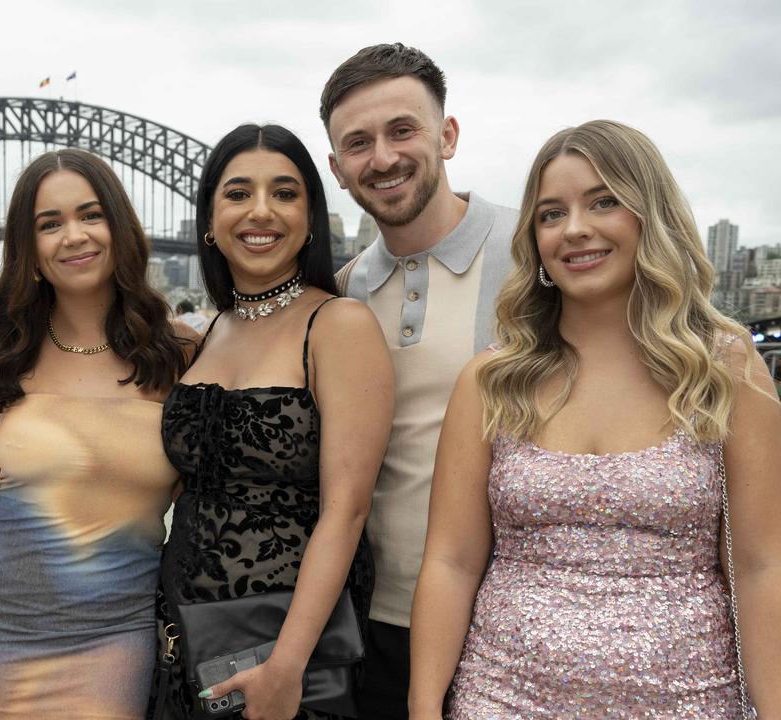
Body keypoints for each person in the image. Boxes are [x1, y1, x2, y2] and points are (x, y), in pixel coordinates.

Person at [409, 120, 781, 718]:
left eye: (603, 201)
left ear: (650, 214)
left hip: (689, 701)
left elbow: (764, 567)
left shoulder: (726, 371)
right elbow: (451, 561)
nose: (575, 229)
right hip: (500, 698)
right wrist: (424, 707)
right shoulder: (491, 381)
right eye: (551, 214)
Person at [154, 123, 393, 720]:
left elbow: (348, 510)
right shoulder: (202, 335)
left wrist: (287, 667)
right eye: (238, 194)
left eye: (284, 193)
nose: (261, 211)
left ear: (311, 217)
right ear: (209, 219)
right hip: (186, 632)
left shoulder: (339, 326)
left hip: (289, 649)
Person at [0, 148, 193, 720]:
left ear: (119, 226)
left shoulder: (179, 354)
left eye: (90, 214)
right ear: (29, 248)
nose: (74, 236)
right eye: (49, 223)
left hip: (116, 637)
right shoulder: (3, 349)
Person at [319, 43, 517, 717]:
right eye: (358, 143)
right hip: (372, 630)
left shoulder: (535, 259)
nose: (383, 157)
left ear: (448, 135)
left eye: (403, 130)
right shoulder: (341, 295)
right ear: (337, 170)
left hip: (506, 627)